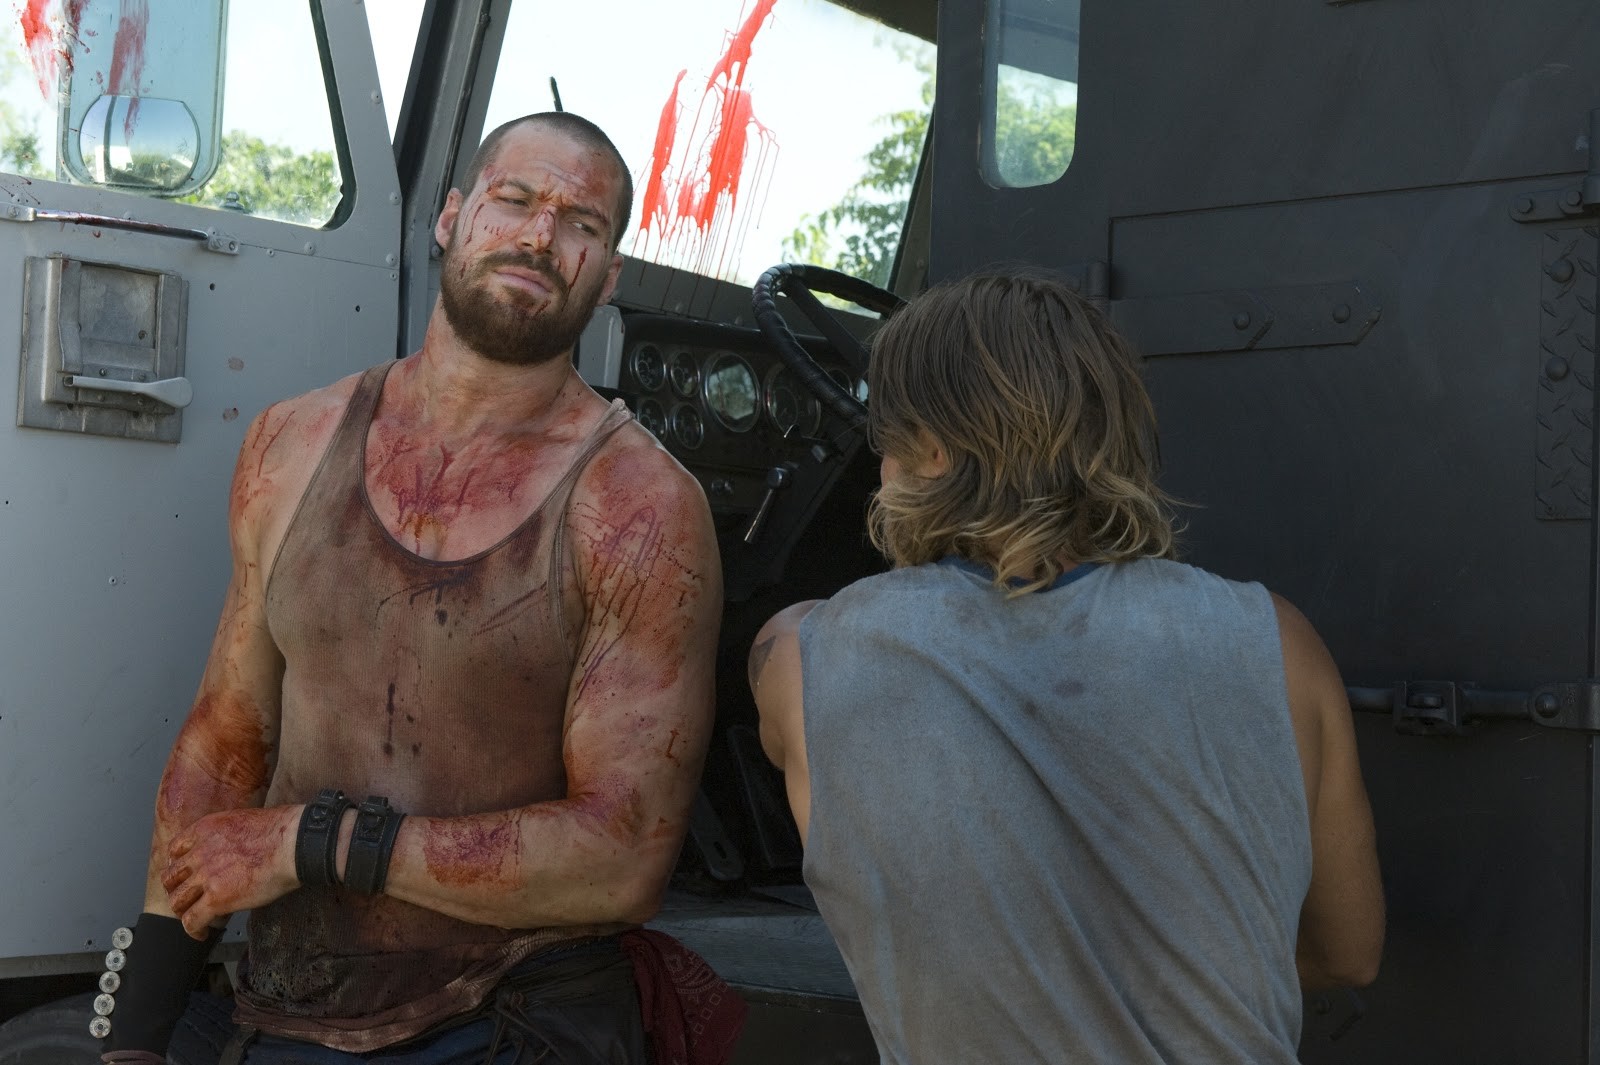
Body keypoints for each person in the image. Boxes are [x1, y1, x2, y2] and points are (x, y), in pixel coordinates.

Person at [96, 112, 741, 1065]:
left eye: (580, 224)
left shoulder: (638, 505)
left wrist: (312, 844)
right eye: (514, 200)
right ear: (451, 218)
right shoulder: (292, 442)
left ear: (608, 277)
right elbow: (228, 737)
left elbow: (622, 856)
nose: (539, 235)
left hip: (506, 1017)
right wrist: (135, 1032)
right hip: (288, 1010)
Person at [749, 271, 1384, 1064]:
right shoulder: (1282, 643)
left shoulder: (803, 656)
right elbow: (1349, 951)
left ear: (933, 450)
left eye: (886, 444)